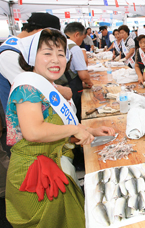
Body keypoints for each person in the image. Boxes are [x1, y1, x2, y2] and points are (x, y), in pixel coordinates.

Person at [5, 28, 115, 227]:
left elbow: (59, 124)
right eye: (47, 53)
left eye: (61, 54)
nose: (55, 60)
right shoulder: (27, 88)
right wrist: (74, 130)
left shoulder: (46, 85)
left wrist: (90, 131)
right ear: (31, 57)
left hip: (53, 163)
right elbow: (34, 131)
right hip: (33, 175)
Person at [55, 22, 93, 121]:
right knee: (77, 115)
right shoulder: (74, 48)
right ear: (76, 34)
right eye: (82, 37)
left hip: (59, 87)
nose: (82, 40)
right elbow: (84, 75)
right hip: (72, 89)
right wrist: (89, 82)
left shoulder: (58, 44)